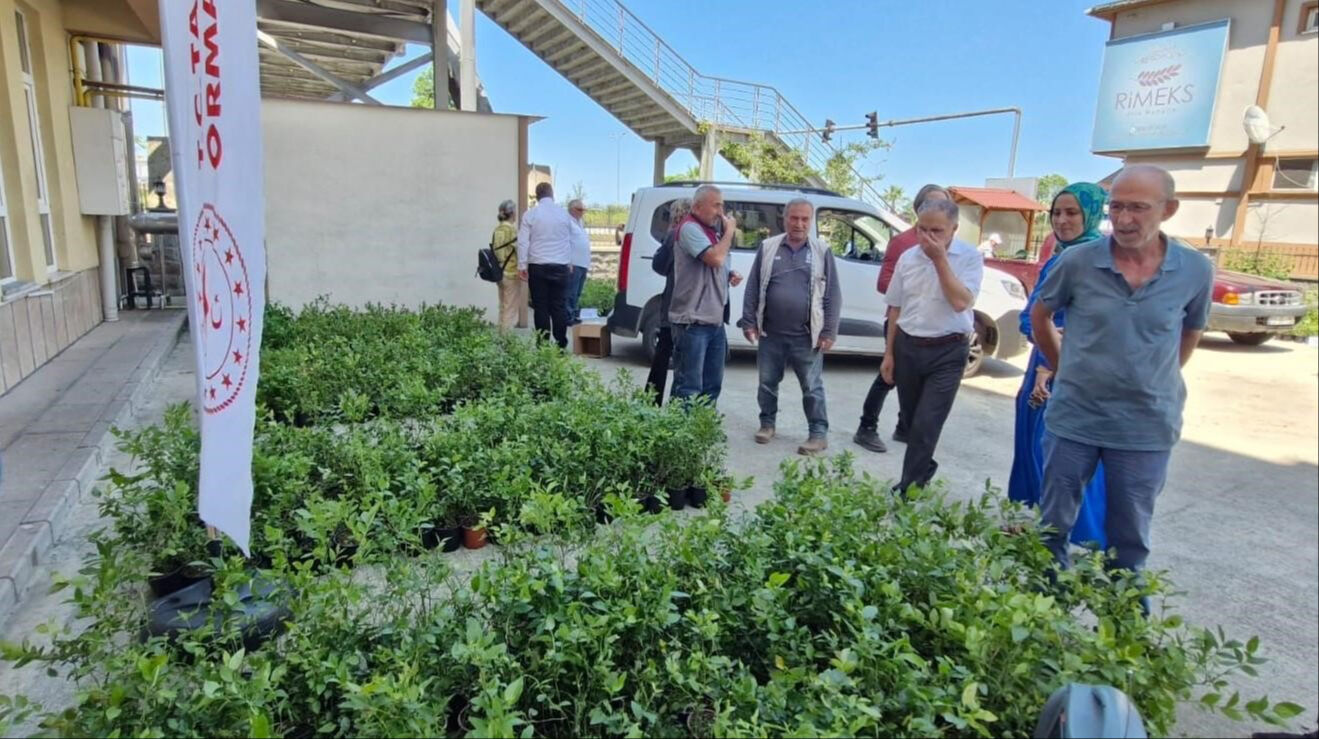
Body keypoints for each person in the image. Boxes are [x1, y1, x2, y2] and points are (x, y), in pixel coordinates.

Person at [1031, 165, 1212, 608]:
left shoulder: (1195, 270)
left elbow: (1190, 333)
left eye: (1138, 208)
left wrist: (1154, 377)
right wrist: (1063, 367)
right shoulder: (1078, 261)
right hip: (1075, 419)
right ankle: (1042, 616)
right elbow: (1040, 316)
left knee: (1130, 535)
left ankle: (1124, 628)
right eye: (1117, 207)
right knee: (1053, 525)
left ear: (1168, 210)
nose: (1125, 219)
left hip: (1146, 426)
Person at [1007, 182, 1109, 550]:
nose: (1063, 221)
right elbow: (1030, 317)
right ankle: (1043, 526)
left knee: (1069, 455)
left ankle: (1080, 536)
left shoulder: (1101, 260)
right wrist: (1046, 338)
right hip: (1042, 359)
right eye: (1057, 213)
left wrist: (1058, 351)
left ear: (1092, 214)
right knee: (1036, 447)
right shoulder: (1058, 258)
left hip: (1077, 372)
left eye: (1072, 213)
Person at [881, 197, 983, 495]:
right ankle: (924, 467)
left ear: (954, 229)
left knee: (927, 424)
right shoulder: (908, 258)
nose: (927, 237)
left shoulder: (969, 258)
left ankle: (908, 490)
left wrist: (940, 259)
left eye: (936, 231)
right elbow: (895, 308)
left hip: (948, 352)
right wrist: (889, 354)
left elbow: (961, 301)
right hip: (908, 347)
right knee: (911, 423)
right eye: (922, 229)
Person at [738, 198, 841, 454]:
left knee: (812, 387)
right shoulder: (769, 247)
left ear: (811, 221)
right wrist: (749, 321)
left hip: (806, 336)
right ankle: (767, 424)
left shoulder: (821, 250)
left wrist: (829, 330)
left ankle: (818, 434)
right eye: (794, 218)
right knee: (766, 383)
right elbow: (753, 285)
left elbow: (832, 295)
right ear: (784, 220)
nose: (799, 223)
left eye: (805, 219)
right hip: (771, 333)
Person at [854, 184, 950, 453]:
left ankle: (905, 428)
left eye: (943, 205)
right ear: (919, 209)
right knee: (889, 375)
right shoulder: (903, 242)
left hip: (934, 329)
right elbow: (885, 282)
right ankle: (866, 427)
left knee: (918, 382)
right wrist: (919, 290)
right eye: (931, 204)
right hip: (903, 323)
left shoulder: (952, 245)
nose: (937, 210)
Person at [669, 184, 743, 405]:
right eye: (716, 206)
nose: (721, 212)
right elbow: (715, 258)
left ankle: (703, 432)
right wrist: (730, 231)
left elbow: (717, 264)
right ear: (697, 206)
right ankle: (681, 434)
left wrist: (729, 273)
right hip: (693, 321)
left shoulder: (713, 230)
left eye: (722, 205)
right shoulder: (690, 228)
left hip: (714, 320)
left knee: (712, 385)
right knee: (688, 387)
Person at [645, 198, 692, 406]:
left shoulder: (674, 235)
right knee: (687, 357)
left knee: (664, 352)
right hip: (696, 306)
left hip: (674, 303)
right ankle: (681, 404)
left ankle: (652, 401)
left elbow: (659, 265)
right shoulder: (704, 234)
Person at [517, 183, 575, 349]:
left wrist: (522, 265)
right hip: (561, 266)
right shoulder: (564, 215)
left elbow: (523, 242)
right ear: (552, 194)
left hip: (538, 265)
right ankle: (561, 343)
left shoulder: (530, 214)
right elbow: (570, 240)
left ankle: (543, 345)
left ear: (537, 196)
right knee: (559, 306)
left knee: (540, 306)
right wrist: (569, 262)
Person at [490, 199, 522, 331]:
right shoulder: (511, 230)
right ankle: (506, 341)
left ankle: (501, 335)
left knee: (503, 306)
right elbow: (520, 251)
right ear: (513, 213)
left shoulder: (497, 229)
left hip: (499, 272)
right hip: (511, 272)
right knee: (510, 309)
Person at [566, 199, 592, 325]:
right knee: (571, 291)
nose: (582, 212)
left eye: (583, 210)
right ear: (572, 209)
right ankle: (568, 316)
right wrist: (568, 262)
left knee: (577, 292)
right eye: (580, 210)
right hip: (574, 263)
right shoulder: (567, 222)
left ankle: (573, 313)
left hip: (582, 263)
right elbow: (565, 243)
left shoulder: (580, 222)